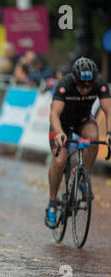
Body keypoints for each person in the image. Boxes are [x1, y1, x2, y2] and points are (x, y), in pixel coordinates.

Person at [45, 57, 111, 229]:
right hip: (62, 124)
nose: (84, 89)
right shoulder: (64, 84)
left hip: (83, 120)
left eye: (88, 86)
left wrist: (109, 134)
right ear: (74, 79)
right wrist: (59, 133)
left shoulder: (100, 84)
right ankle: (52, 203)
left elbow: (109, 111)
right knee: (59, 161)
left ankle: (83, 177)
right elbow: (54, 114)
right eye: (81, 85)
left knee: (94, 137)